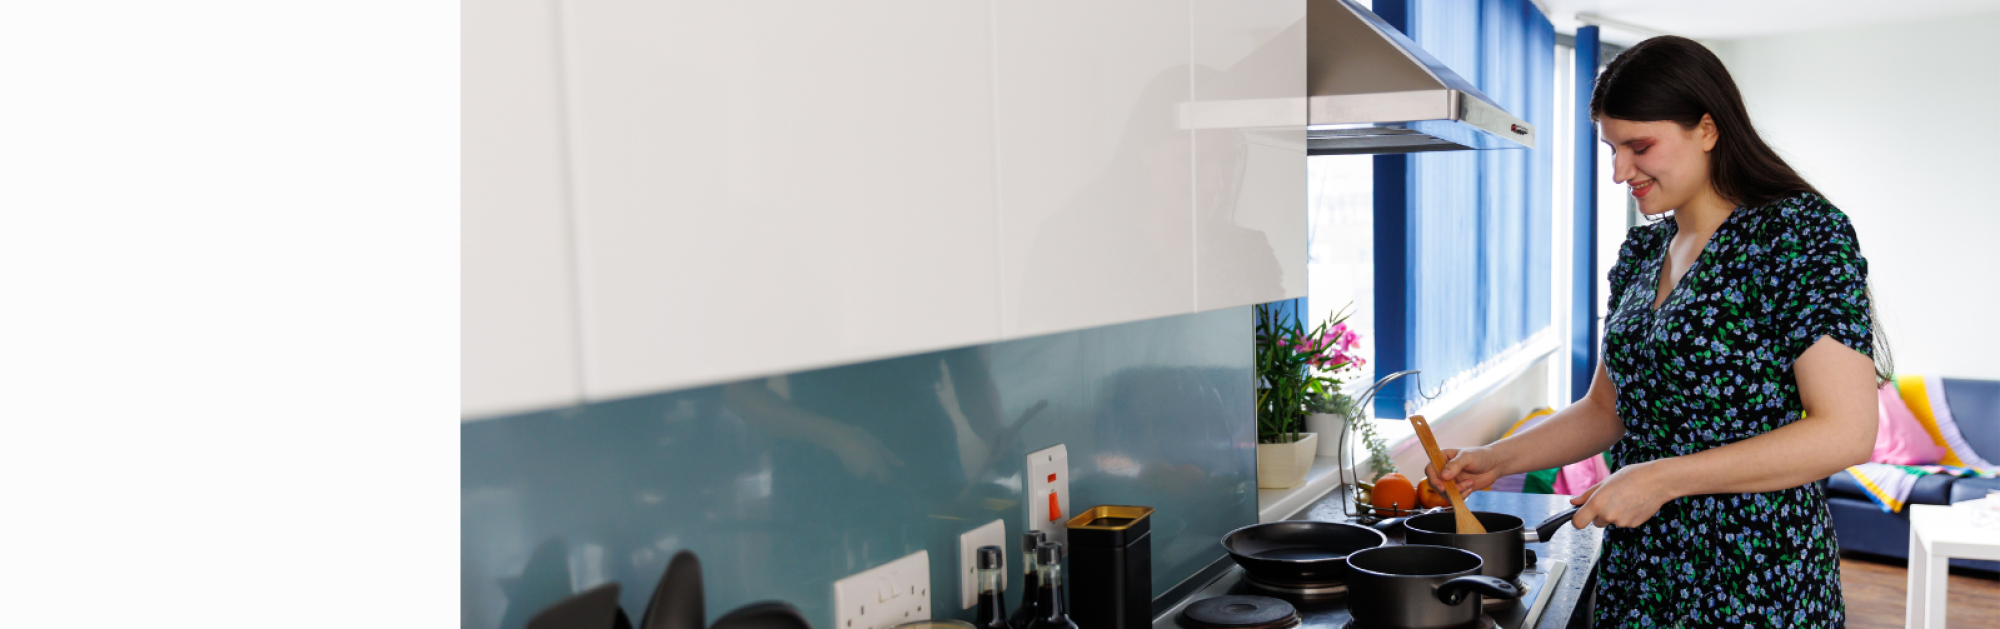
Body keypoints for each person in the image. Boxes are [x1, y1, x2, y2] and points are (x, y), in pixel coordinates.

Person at [1427, 36, 1889, 628]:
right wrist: (1497, 456)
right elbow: (1607, 409)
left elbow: (1846, 434)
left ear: (1707, 128)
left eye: (1639, 147)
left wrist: (1661, 477)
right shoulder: (1644, 252)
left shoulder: (1799, 235)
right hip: (1642, 565)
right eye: (1612, 148)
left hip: (1757, 574)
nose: (1620, 171)